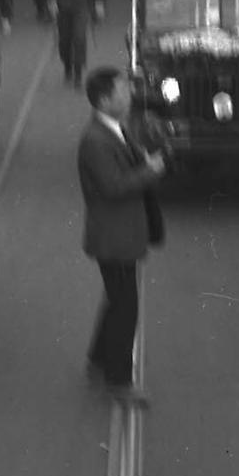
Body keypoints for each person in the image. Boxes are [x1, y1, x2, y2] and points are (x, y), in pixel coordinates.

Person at [78, 67, 164, 402]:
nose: (128, 96)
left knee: (117, 298)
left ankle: (98, 358)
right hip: (112, 236)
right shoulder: (95, 141)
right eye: (121, 92)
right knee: (126, 305)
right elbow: (113, 187)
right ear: (103, 100)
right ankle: (119, 381)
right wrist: (150, 171)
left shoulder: (115, 130)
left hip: (122, 233)